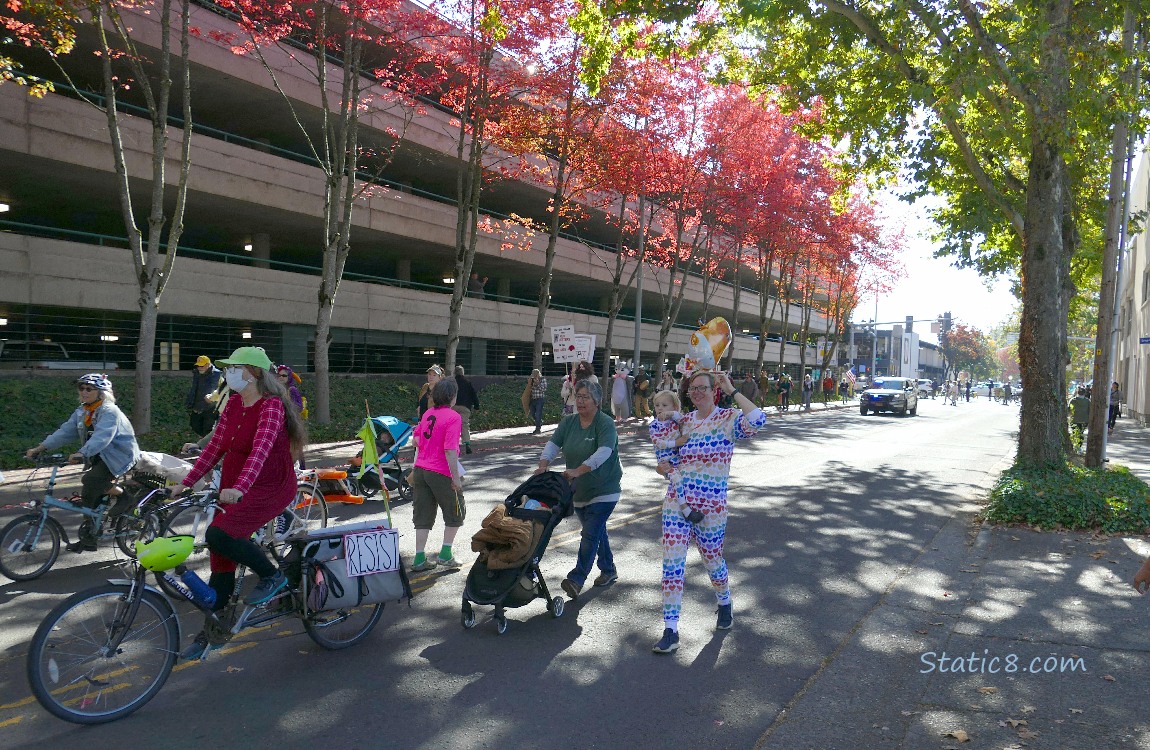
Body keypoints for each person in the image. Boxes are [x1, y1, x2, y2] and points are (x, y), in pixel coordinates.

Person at [170, 346, 307, 659]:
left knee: (219, 534)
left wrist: (241, 488)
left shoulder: (271, 406)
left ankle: (273, 575)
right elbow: (216, 446)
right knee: (220, 554)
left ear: (254, 372)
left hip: (270, 486)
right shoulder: (233, 403)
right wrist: (185, 483)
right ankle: (213, 631)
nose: (229, 373)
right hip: (235, 486)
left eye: (235, 367)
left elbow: (260, 450)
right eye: (228, 368)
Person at [652, 370, 767, 654]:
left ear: (714, 390)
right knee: (672, 564)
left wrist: (732, 390)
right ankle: (670, 629)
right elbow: (666, 457)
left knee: (712, 559)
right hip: (678, 502)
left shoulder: (727, 419)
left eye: (703, 388)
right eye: (693, 389)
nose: (697, 393)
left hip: (712, 505)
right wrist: (663, 467)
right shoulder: (683, 422)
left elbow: (758, 420)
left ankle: (724, 601)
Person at [26, 373, 141, 553]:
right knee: (88, 497)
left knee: (91, 480)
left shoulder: (110, 411)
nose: (84, 392)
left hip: (119, 456)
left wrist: (82, 453)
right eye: (81, 388)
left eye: (89, 388)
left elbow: (103, 437)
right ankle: (89, 538)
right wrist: (41, 447)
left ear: (101, 392)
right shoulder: (83, 411)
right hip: (98, 456)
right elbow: (65, 431)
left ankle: (124, 496)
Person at [534, 379, 623, 601]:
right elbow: (553, 444)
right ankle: (609, 569)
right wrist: (543, 464)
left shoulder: (605, 423)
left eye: (585, 397)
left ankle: (577, 578)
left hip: (605, 489)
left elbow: (604, 452)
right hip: (579, 491)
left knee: (590, 534)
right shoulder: (569, 422)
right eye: (578, 396)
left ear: (597, 401)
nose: (580, 401)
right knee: (597, 532)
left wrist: (579, 470)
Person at [409, 378, 466, 572]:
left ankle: (419, 558)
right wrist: (456, 479)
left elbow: (415, 440)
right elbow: (450, 450)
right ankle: (445, 554)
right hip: (440, 471)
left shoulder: (427, 414)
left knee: (423, 515)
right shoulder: (453, 417)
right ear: (452, 396)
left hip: (420, 470)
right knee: (456, 511)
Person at [648, 391, 704, 525]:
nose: (660, 408)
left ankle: (693, 504)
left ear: (674, 407)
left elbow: (682, 419)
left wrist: (671, 414)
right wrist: (676, 443)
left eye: (664, 405)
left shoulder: (675, 421)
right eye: (657, 405)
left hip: (679, 458)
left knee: (686, 479)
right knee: (677, 479)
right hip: (666, 460)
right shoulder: (654, 425)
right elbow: (659, 443)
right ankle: (686, 511)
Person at [186, 355, 221, 437]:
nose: (199, 367)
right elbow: (194, 388)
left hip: (211, 406)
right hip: (197, 405)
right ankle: (205, 442)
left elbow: (220, 389)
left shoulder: (217, 374)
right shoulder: (196, 373)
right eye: (198, 365)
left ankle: (206, 445)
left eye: (202, 365)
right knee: (194, 425)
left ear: (208, 365)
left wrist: (213, 398)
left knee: (207, 429)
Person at [453, 365, 480, 454]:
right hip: (465, 407)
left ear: (454, 373)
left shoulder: (452, 382)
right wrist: (477, 406)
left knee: (452, 425)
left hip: (453, 406)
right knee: (464, 425)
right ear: (463, 373)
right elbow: (473, 395)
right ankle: (467, 444)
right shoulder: (468, 382)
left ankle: (453, 444)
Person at [527, 368, 547, 434]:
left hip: (540, 399)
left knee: (538, 413)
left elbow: (543, 389)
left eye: (536, 374)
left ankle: (538, 428)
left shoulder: (542, 379)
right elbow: (529, 389)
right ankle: (539, 422)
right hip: (533, 399)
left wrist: (538, 383)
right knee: (532, 413)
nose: (535, 376)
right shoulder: (532, 379)